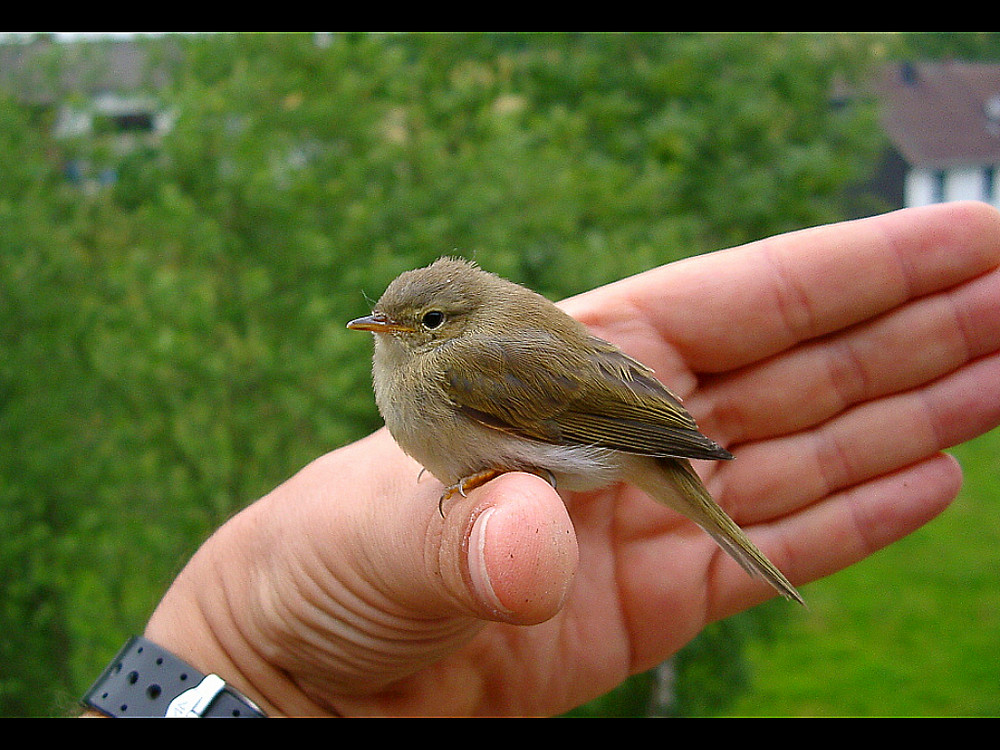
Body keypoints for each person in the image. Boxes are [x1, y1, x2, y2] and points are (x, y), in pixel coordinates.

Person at [99, 201, 1000, 716]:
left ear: (453, 324)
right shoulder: (438, 355)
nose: (395, 335)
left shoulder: (459, 367)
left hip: (605, 440)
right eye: (390, 321)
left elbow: (587, 417)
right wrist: (242, 663)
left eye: (421, 324)